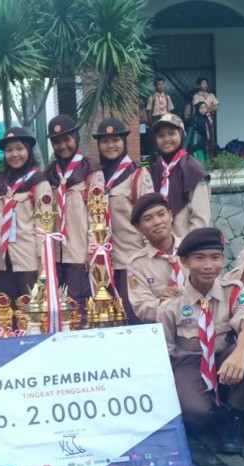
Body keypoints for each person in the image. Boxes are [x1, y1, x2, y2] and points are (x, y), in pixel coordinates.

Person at [160, 228, 244, 454]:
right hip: (189, 361)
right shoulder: (171, 306)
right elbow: (164, 356)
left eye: (215, 258)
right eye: (199, 258)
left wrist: (240, 353)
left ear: (223, 260)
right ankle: (215, 412)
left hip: (223, 357)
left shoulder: (233, 290)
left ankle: (234, 416)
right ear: (185, 261)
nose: (208, 265)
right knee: (195, 416)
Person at [91, 118, 154, 322]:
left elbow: (149, 216)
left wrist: (149, 255)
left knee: (133, 315)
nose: (110, 145)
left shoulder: (137, 174)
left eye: (116, 140)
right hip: (101, 264)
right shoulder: (96, 177)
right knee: (107, 319)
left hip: (131, 259)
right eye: (105, 141)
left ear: (124, 142)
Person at [43, 115, 106, 307]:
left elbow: (97, 215)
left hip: (80, 254)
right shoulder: (48, 174)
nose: (62, 146)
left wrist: (92, 250)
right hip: (54, 255)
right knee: (56, 306)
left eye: (66, 140)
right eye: (56, 142)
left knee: (78, 305)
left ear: (76, 138)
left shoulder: (91, 171)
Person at [0, 127, 52, 302]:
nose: (14, 154)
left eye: (19, 148)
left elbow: (43, 225)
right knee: (6, 312)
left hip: (28, 261)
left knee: (32, 312)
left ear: (28, 151)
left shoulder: (39, 182)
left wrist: (42, 261)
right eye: (9, 150)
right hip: (2, 262)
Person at [149, 113, 211, 238]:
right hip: (159, 248)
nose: (166, 139)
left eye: (172, 133)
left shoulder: (193, 169)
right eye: (161, 135)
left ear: (182, 135)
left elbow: (201, 216)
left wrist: (190, 247)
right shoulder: (156, 170)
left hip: (184, 247)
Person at [126, 193, 184, 324]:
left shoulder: (193, 249)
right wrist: (162, 302)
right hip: (164, 330)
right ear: (138, 227)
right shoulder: (137, 264)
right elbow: (141, 309)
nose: (157, 222)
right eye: (148, 219)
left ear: (171, 215)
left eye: (161, 214)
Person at [185, 101, 215, 166]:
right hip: (196, 146)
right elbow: (189, 134)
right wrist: (184, 147)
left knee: (207, 166)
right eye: (201, 108)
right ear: (197, 109)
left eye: (205, 107)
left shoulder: (207, 119)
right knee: (200, 165)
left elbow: (209, 133)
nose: (203, 109)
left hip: (205, 146)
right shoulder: (194, 119)